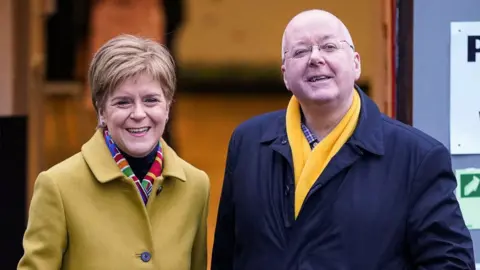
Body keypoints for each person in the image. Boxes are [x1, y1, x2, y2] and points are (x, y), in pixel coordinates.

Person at [211, 9, 475, 270]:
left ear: (356, 63)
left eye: (329, 46)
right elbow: (226, 256)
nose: (315, 58)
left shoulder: (417, 157)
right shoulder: (248, 143)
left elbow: (450, 264)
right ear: (284, 75)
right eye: (301, 51)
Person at [18, 34, 210, 270]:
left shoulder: (196, 186)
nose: (139, 113)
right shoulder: (57, 186)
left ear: (168, 106)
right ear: (101, 111)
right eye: (123, 102)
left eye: (151, 100)